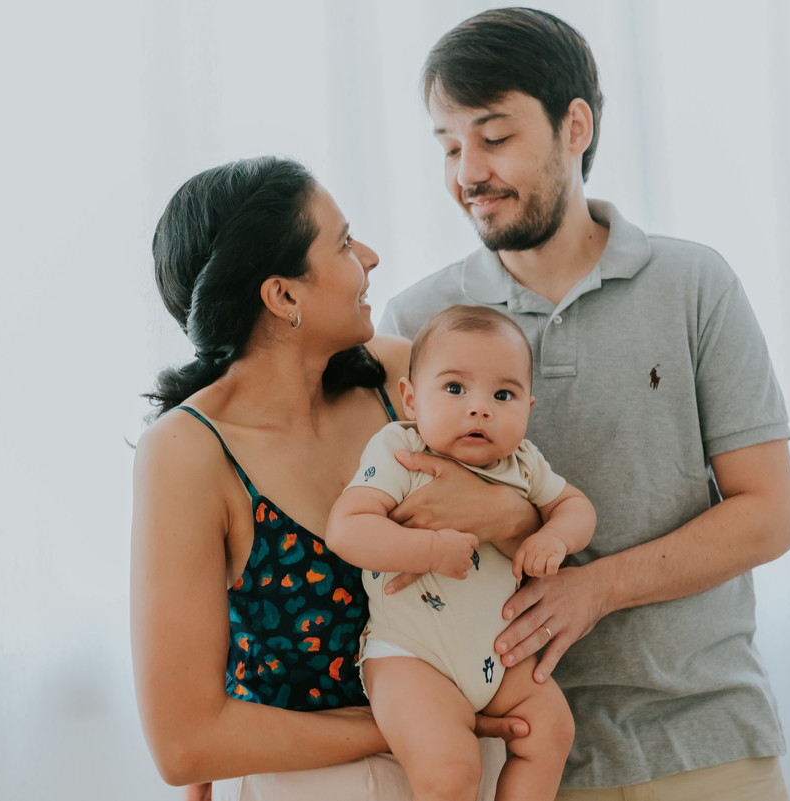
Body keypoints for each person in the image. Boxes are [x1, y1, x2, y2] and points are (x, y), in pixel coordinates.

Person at [377, 9, 790, 800]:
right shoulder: (415, 323)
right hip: (519, 762)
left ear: (575, 126)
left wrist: (595, 587)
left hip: (706, 742)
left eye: (493, 137)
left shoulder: (694, 285)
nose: (468, 172)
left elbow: (770, 513)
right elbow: (394, 520)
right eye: (449, 146)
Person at [130, 156, 536, 801]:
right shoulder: (187, 452)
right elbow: (185, 744)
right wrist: (413, 724)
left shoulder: (400, 382)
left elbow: (530, 512)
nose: (369, 257)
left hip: (467, 771)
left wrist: (506, 515)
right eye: (344, 243)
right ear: (283, 296)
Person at [326, 305, 595, 800]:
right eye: (455, 388)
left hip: (496, 657)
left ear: (528, 407)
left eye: (503, 395)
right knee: (451, 770)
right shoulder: (401, 451)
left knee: (551, 730)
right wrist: (429, 549)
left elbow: (577, 507)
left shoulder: (524, 463)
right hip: (410, 655)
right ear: (411, 399)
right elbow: (346, 530)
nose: (480, 408)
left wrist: (555, 536)